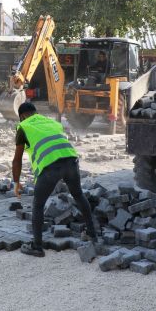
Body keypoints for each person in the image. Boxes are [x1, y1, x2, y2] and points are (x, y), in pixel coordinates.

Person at [12, 102, 97, 257]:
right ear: (36, 112)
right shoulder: (52, 122)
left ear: (22, 116)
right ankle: (92, 233)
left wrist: (17, 183)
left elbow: (17, 160)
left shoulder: (23, 126)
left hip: (50, 167)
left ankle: (37, 247)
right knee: (78, 195)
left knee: (38, 205)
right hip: (71, 160)